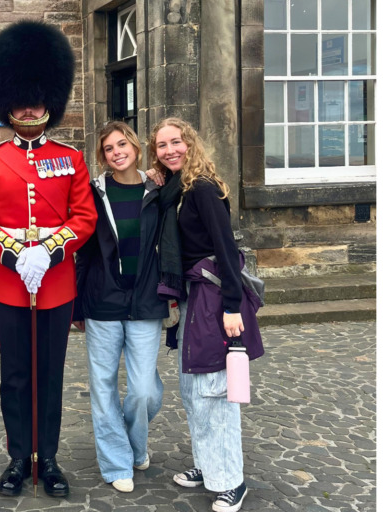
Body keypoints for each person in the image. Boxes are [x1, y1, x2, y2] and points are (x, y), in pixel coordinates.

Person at [0, 20, 97, 498]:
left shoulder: (71, 157)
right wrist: (19, 251)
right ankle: (19, 457)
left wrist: (50, 248)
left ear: (50, 101)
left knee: (51, 373)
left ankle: (51, 458)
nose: (28, 107)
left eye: (36, 99)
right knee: (16, 373)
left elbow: (83, 217)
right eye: (20, 100)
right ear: (7, 101)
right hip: (9, 284)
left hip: (58, 283)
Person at [147, 117, 264, 512]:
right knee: (192, 389)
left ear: (189, 142)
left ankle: (232, 480)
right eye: (161, 146)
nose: (170, 150)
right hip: (192, 299)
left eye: (175, 142)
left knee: (215, 391)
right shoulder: (175, 190)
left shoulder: (203, 189)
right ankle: (207, 464)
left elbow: (226, 248)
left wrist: (232, 306)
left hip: (214, 299)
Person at [72, 121, 174, 493]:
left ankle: (136, 444)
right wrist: (77, 307)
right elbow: (83, 252)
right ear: (103, 157)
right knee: (102, 387)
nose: (117, 153)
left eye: (122, 145)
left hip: (146, 301)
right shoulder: (93, 193)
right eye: (109, 149)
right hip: (102, 301)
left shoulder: (157, 190)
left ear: (135, 146)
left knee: (144, 390)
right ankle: (117, 463)